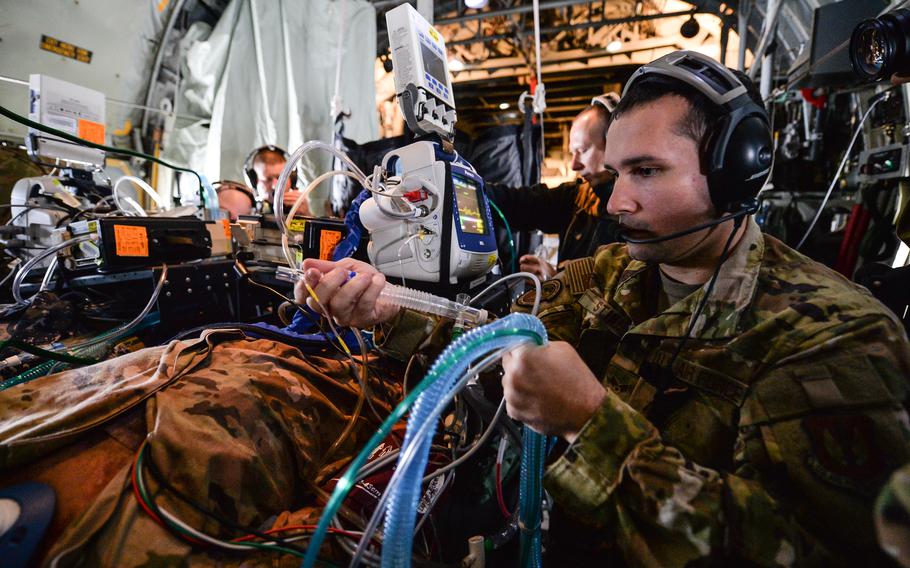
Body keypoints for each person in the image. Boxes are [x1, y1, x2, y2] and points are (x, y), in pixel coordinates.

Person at [296, 51, 910, 565]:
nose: (617, 203)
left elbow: (818, 550)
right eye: (616, 174)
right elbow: (492, 340)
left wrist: (593, 425)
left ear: (735, 175)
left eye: (646, 172)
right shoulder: (611, 273)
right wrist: (387, 309)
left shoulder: (835, 335)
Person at [487, 96, 620, 280]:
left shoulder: (638, 211)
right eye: (573, 154)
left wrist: (559, 279)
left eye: (582, 151)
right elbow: (517, 203)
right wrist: (468, 184)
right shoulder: (578, 198)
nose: (574, 165)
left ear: (615, 144)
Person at [243, 145, 312, 217]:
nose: (275, 186)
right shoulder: (245, 209)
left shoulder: (301, 208)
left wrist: (307, 215)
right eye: (268, 179)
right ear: (253, 182)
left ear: (292, 179)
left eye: (281, 178)